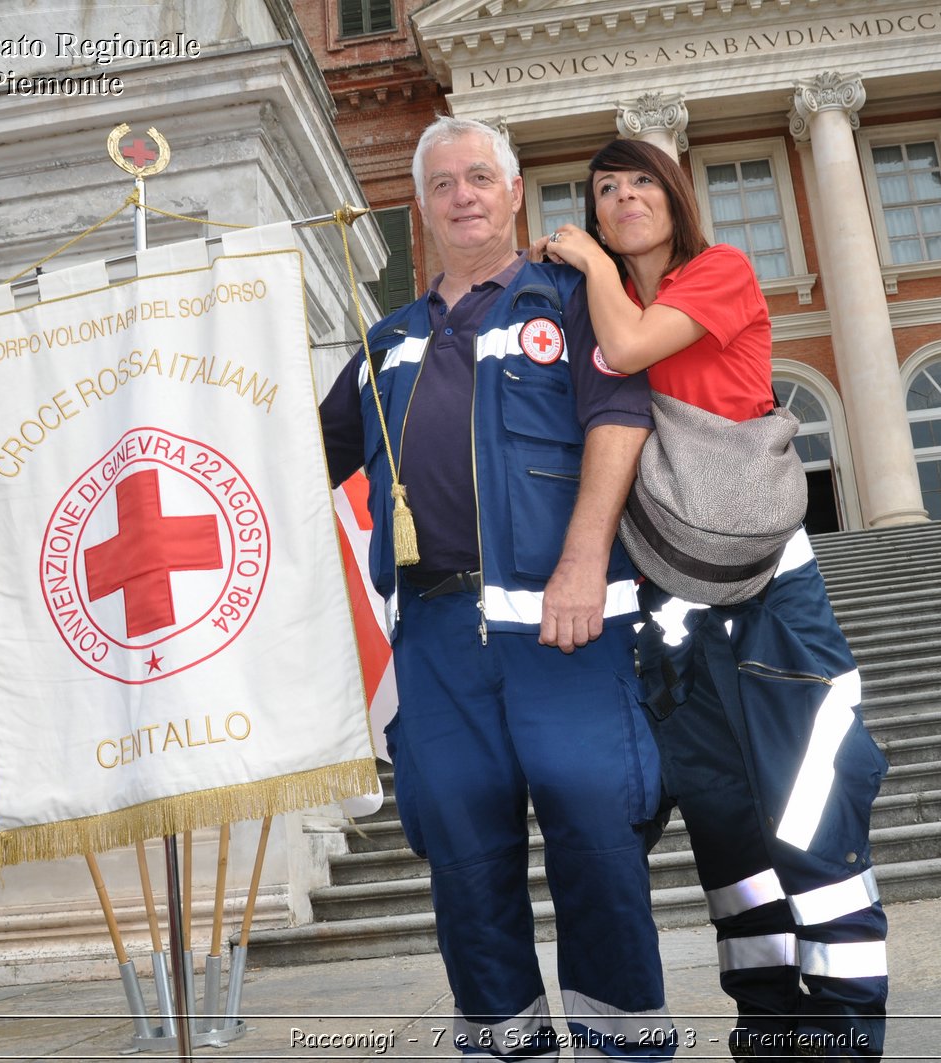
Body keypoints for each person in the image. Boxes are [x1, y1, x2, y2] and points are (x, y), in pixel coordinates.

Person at [318, 118, 676, 1061]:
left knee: (601, 846)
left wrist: (581, 563)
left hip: (569, 624)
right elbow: (301, 457)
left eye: (481, 177)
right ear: (423, 206)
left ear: (515, 192)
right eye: (443, 184)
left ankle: (624, 1046)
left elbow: (619, 420)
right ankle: (507, 1045)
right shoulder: (386, 339)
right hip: (436, 638)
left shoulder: (571, 294)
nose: (464, 195)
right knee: (464, 864)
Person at [533, 139, 890, 1061]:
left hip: (771, 585)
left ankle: (845, 1034)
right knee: (725, 824)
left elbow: (629, 346)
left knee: (812, 806)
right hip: (672, 597)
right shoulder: (605, 299)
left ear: (673, 194)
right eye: (604, 189)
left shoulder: (716, 272)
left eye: (639, 181)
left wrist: (580, 258)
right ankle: (769, 1023)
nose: (621, 198)